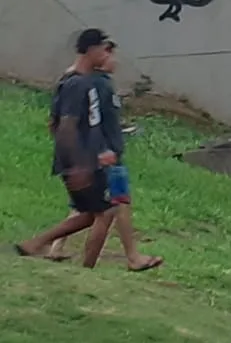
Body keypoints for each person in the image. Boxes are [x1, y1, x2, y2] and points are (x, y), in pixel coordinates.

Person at [15, 30, 160, 271]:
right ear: (91, 50)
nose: (109, 56)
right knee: (107, 210)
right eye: (105, 50)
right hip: (87, 163)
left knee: (92, 212)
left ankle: (39, 244)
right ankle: (86, 268)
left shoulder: (86, 82)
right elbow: (64, 126)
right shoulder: (78, 83)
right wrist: (79, 163)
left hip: (92, 160)